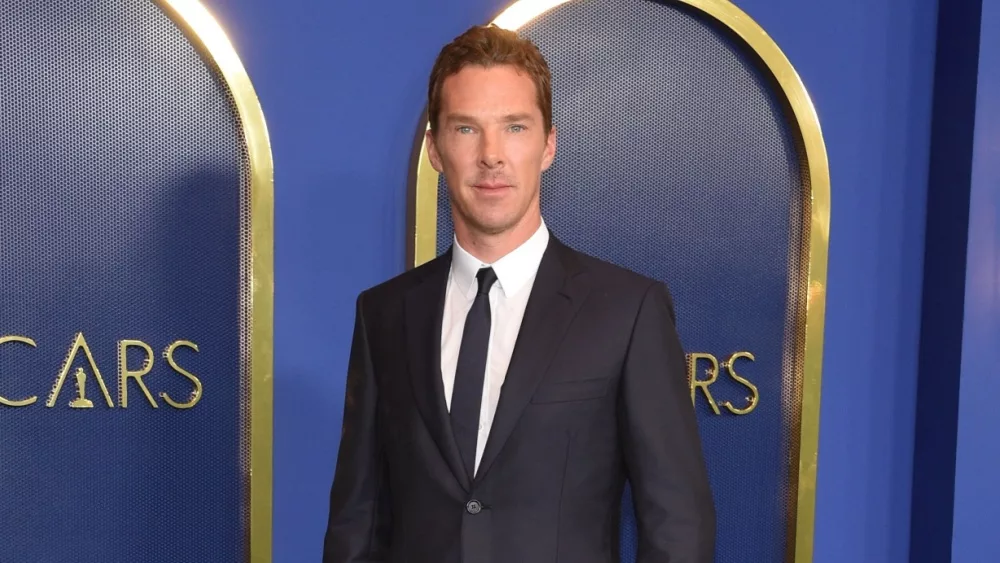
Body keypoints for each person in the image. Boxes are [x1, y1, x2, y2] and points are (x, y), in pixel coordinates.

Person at [323, 24, 715, 563]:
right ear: (435, 149)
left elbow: (677, 526)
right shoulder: (384, 314)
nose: (491, 155)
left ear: (548, 144)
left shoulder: (627, 312)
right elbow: (358, 521)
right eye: (466, 129)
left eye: (514, 127)